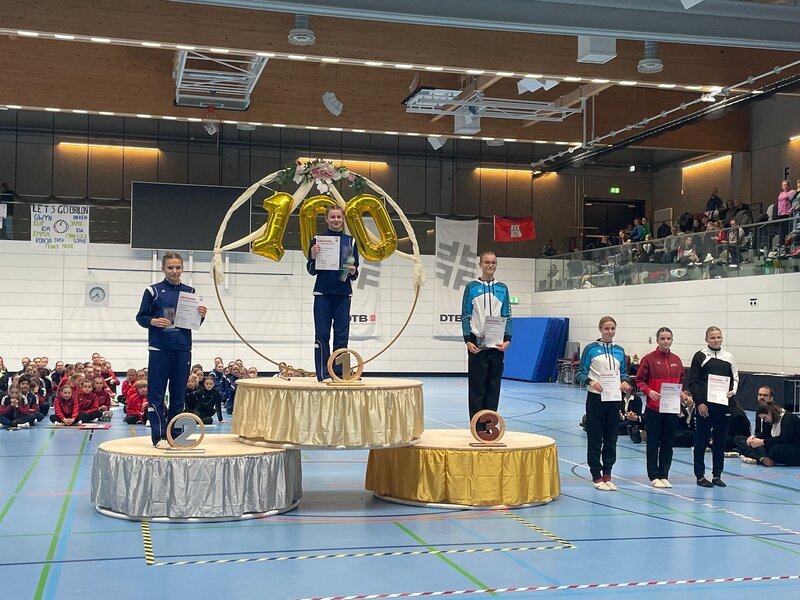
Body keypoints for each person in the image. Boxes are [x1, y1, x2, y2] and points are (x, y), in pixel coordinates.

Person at [135, 251, 207, 447]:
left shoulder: (190, 292)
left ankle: (174, 435)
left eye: (178, 267)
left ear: (183, 268)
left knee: (178, 395)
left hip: (182, 349)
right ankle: (159, 436)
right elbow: (141, 317)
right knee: (156, 394)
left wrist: (201, 315)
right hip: (159, 349)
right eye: (170, 267)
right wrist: (153, 321)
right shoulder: (153, 291)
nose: (174, 271)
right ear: (163, 269)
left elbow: (193, 322)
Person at [576, 316, 632, 491]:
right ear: (600, 329)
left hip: (614, 399)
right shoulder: (591, 349)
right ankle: (596, 474)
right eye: (607, 328)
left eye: (613, 328)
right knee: (595, 437)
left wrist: (625, 382)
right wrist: (591, 382)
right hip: (596, 399)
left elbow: (623, 373)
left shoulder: (620, 350)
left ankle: (608, 473)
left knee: (611, 438)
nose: (610, 331)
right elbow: (580, 372)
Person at [306, 205, 360, 381]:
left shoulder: (351, 241)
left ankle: (340, 372)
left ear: (343, 219)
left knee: (342, 335)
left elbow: (355, 272)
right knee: (322, 334)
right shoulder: (317, 240)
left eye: (339, 217)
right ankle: (323, 372)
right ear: (326, 219)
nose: (336, 220)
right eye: (333, 217)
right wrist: (313, 257)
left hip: (343, 293)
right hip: (322, 293)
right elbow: (311, 270)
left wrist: (353, 271)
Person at [461, 250, 513, 425]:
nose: (490, 265)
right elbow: (465, 315)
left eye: (493, 262)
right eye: (487, 262)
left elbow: (507, 315)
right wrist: (468, 340)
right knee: (477, 386)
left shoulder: (503, 288)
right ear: (480, 264)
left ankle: (490, 424)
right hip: (477, 343)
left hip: (497, 343)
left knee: (493, 385)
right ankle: (477, 425)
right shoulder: (471, 287)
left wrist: (508, 340)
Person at [635, 327, 688, 488]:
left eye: (668, 338)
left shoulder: (677, 360)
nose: (666, 341)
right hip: (654, 408)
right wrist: (648, 391)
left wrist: (681, 393)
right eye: (663, 338)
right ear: (657, 340)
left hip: (671, 408)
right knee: (653, 442)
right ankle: (653, 475)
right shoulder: (649, 359)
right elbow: (639, 380)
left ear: (672, 340)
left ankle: (664, 474)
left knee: (668, 442)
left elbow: (680, 381)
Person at [687, 326, 738, 487]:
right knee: (701, 440)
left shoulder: (728, 357)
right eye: (712, 338)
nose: (716, 340)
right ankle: (700, 476)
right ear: (706, 339)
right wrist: (700, 402)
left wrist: (732, 392)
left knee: (720, 440)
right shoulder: (700, 356)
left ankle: (717, 475)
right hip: (705, 407)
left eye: (718, 337)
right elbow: (693, 382)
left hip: (722, 406)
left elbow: (735, 378)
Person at [735, 386, 775, 462]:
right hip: (759, 441)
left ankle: (753, 455)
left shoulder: (773, 413)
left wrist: (759, 441)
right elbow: (758, 432)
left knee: (763, 448)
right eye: (760, 395)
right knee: (738, 439)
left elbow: (770, 435)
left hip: (767, 442)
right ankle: (754, 454)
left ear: (771, 398)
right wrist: (753, 437)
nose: (762, 397)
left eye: (765, 395)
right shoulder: (758, 412)